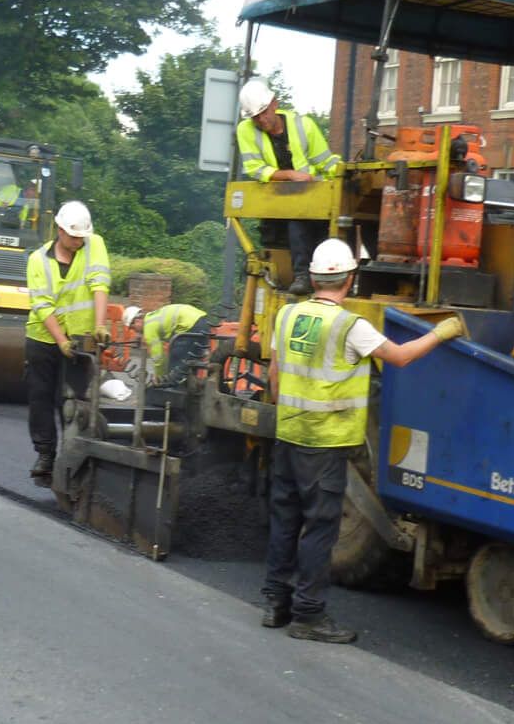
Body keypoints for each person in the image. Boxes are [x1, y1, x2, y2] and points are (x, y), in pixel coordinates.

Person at [263, 237, 465, 643]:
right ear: (350, 280)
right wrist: (444, 332)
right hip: (325, 444)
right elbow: (402, 357)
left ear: (315, 277)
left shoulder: (286, 316)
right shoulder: (349, 326)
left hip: (288, 436)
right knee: (321, 529)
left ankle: (275, 604)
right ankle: (308, 615)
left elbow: (274, 376)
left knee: (286, 521)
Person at [24, 200, 110, 482]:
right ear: (59, 230)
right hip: (43, 338)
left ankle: (70, 454)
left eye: (81, 237)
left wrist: (99, 324)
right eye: (73, 236)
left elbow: (99, 283)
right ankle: (46, 453)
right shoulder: (38, 260)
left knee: (73, 399)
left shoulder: (94, 243)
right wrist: (60, 340)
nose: (78, 242)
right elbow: (43, 306)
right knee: (41, 397)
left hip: (81, 340)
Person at [233, 78, 342, 296]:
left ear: (274, 103)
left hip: (311, 196)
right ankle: (302, 275)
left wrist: (344, 172)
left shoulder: (304, 125)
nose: (261, 119)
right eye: (256, 117)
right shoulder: (245, 130)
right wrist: (290, 175)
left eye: (264, 112)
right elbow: (255, 169)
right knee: (295, 218)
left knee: (319, 228)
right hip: (278, 201)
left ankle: (322, 275)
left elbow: (326, 162)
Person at [123, 301, 207, 382]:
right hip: (203, 321)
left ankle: (174, 392)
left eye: (132, 328)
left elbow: (158, 358)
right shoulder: (151, 317)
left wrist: (159, 378)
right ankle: (191, 388)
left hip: (191, 325)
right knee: (192, 362)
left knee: (175, 361)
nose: (134, 331)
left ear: (136, 321)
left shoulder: (149, 328)